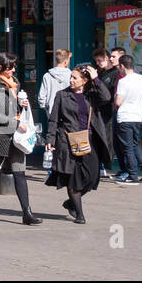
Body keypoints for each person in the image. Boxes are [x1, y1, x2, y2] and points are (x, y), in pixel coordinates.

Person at [0, 54, 41, 225]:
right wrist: (15, 122)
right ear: (0, 68)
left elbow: (14, 108)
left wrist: (22, 105)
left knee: (19, 173)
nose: (14, 70)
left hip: (16, 136)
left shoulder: (16, 84)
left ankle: (27, 213)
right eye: (10, 67)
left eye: (14, 66)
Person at [45, 64, 112, 223]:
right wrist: (50, 139)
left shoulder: (91, 94)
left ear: (84, 81)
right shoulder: (62, 95)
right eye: (71, 77)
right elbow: (54, 119)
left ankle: (70, 202)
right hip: (67, 141)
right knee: (73, 178)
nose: (71, 80)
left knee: (92, 176)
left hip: (89, 141)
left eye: (75, 78)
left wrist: (96, 78)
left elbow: (107, 97)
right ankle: (80, 214)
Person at [113, 54, 142, 183]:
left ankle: (133, 175)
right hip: (137, 116)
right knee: (135, 145)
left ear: (122, 66)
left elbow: (118, 101)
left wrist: (115, 98)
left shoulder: (123, 81)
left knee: (128, 147)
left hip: (125, 116)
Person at [37, 49, 73, 173]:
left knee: (51, 137)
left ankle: (51, 168)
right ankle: (65, 166)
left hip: (52, 111)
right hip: (68, 111)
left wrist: (45, 106)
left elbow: (42, 96)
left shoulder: (47, 75)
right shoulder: (71, 75)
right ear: (66, 60)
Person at [92, 48, 121, 178]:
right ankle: (100, 165)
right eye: (96, 61)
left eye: (99, 60)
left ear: (106, 58)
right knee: (99, 139)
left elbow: (109, 94)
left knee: (106, 139)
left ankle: (104, 165)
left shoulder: (115, 74)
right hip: (100, 110)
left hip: (109, 111)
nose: (98, 63)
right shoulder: (102, 73)